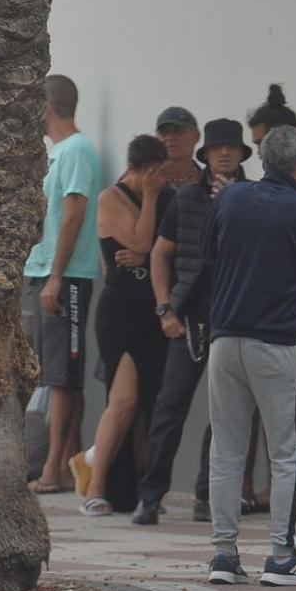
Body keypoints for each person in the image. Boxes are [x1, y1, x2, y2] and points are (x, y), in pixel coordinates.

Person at [202, 126, 296, 584]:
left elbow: (208, 256)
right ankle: (283, 556)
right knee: (288, 453)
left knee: (226, 450)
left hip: (224, 341)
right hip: (275, 344)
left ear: (262, 159)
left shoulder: (229, 199)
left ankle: (224, 555)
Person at [131, 118, 252, 525]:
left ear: (241, 153)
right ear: (205, 154)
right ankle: (150, 497)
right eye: (217, 148)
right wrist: (165, 309)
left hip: (234, 319)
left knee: (225, 413)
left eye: (231, 148)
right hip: (188, 318)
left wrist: (234, 205)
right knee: (170, 408)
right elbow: (160, 254)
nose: (223, 154)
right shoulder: (185, 199)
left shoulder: (253, 198)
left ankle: (208, 496)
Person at [74, 135, 170, 517]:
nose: (157, 182)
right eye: (152, 175)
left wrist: (149, 249)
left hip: (155, 310)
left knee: (149, 405)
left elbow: (159, 247)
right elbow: (142, 240)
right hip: (121, 312)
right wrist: (147, 200)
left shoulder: (168, 199)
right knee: (124, 401)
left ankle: (141, 489)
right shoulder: (111, 198)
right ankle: (94, 487)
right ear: (138, 169)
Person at [24, 75, 103, 495]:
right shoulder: (57, 154)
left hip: (67, 276)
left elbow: (74, 214)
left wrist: (56, 276)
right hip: (41, 271)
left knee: (62, 375)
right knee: (53, 371)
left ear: (46, 105)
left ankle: (52, 468)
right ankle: (69, 461)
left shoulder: (76, 151)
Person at [152, 106, 202, 195]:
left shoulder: (211, 182)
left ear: (197, 136)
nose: (170, 137)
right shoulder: (145, 182)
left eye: (177, 131)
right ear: (156, 138)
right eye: (164, 132)